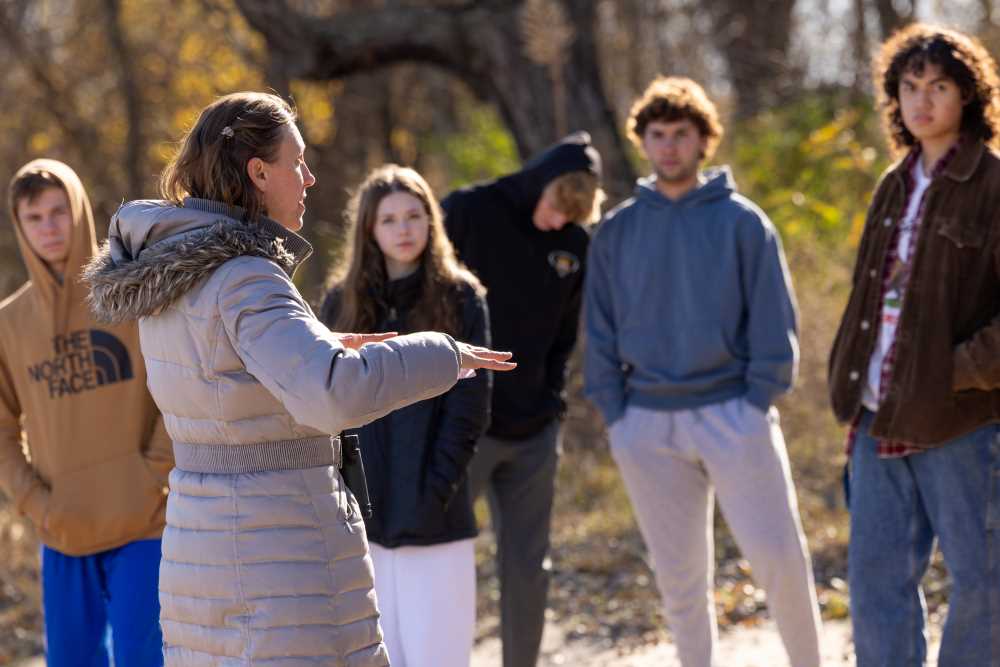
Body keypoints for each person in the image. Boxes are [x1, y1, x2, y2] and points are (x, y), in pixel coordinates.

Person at [83, 92, 514, 666]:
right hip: (278, 563)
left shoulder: (176, 277)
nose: (309, 178)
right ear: (259, 172)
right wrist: (441, 353)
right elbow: (331, 392)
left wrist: (321, 343)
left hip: (207, 551)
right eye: (298, 162)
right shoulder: (246, 279)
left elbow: (224, 381)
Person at [584, 76, 822, 667]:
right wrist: (619, 417)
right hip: (647, 426)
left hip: (733, 415)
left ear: (702, 141)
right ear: (643, 142)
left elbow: (774, 321)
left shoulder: (743, 223)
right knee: (680, 578)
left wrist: (755, 400)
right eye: (657, 135)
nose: (668, 147)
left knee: (780, 559)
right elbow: (599, 331)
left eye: (681, 135)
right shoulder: (617, 230)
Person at [828, 24, 1000, 666]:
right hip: (877, 418)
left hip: (960, 421)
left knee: (985, 587)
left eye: (939, 87)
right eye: (909, 87)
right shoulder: (893, 183)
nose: (922, 101)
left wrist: (951, 373)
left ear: (969, 96)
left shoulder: (993, 185)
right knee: (877, 592)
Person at [0, 159, 172, 666]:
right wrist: (35, 501)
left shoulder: (132, 294)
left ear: (79, 212)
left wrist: (153, 473)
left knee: (145, 659)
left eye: (59, 212)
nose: (49, 228)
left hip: (145, 522)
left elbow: (174, 389)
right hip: (63, 529)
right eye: (35, 218)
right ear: (19, 226)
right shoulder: (9, 323)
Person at [441, 131, 603, 667]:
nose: (559, 222)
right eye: (558, 207)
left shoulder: (575, 246)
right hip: (464, 427)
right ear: (541, 183)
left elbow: (564, 336)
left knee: (528, 568)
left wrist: (552, 402)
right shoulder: (469, 211)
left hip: (534, 432)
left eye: (572, 217)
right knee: (442, 560)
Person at [319, 164, 490, 667]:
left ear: (431, 222)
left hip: (436, 522)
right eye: (390, 219)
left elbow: (469, 412)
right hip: (363, 529)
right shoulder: (340, 304)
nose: (404, 229)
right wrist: (348, 495)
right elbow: (328, 405)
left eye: (414, 215)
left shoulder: (461, 299)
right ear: (369, 230)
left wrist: (434, 492)